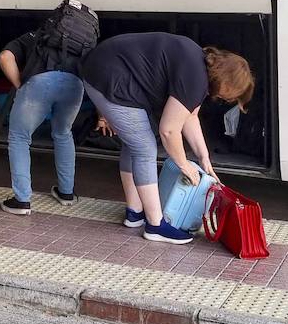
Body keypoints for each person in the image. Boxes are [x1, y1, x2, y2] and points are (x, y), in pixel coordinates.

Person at [79, 33, 254, 244]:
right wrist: (184, 165)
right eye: (232, 96)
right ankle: (155, 225)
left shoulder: (198, 64)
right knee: (144, 148)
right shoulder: (195, 79)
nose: (227, 100)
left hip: (104, 66)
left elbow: (189, 115)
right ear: (228, 84)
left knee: (135, 142)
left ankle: (135, 213)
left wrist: (203, 156)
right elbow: (169, 130)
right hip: (107, 76)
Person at [0, 26, 85, 216]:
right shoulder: (81, 40)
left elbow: (5, 57)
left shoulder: (34, 36)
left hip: (39, 83)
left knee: (19, 137)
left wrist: (19, 86)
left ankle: (21, 201)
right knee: (63, 133)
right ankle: (66, 193)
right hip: (75, 84)